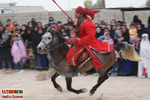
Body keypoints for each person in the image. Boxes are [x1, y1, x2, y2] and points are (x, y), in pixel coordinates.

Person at [66, 6, 113, 76]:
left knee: (70, 56)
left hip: (86, 42)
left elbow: (90, 36)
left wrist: (79, 41)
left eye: (76, 13)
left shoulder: (88, 24)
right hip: (79, 39)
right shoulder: (79, 21)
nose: (75, 14)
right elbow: (79, 34)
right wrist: (70, 39)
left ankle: (74, 71)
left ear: (81, 15)